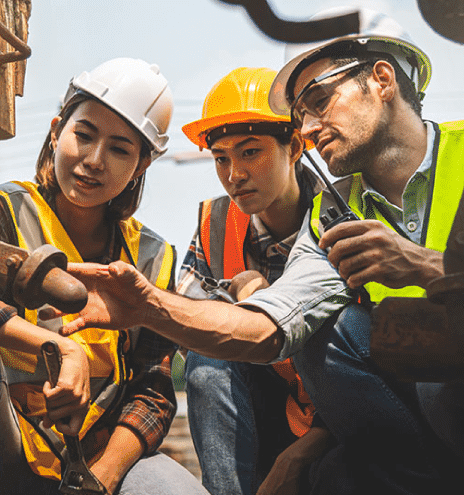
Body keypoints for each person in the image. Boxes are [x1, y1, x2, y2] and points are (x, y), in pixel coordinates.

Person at [51, 9, 464, 494]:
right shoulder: (333, 212)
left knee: (450, 384)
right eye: (299, 114)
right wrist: (151, 307)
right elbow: (275, 326)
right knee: (334, 339)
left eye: (319, 99)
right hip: (445, 403)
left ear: (381, 79)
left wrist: (427, 266)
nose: (307, 126)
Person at [0, 57, 206, 495]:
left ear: (142, 165)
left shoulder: (153, 257)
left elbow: (153, 391)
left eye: (120, 149)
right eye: (83, 135)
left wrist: (102, 479)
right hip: (5, 441)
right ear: (56, 131)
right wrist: (60, 346)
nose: (93, 160)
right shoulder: (1, 212)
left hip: (93, 454)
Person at [173, 67, 333, 495]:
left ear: (295, 146)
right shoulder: (215, 225)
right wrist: (240, 290)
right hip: (254, 416)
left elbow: (366, 359)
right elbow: (186, 311)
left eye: (249, 152)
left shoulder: (341, 219)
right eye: (221, 158)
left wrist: (299, 455)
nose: (234, 174)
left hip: (340, 422)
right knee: (207, 358)